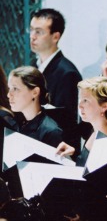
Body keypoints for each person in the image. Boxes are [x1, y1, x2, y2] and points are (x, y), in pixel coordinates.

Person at [30, 8, 82, 150]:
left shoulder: (67, 73)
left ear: (55, 36)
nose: (32, 36)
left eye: (39, 32)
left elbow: (67, 123)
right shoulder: (33, 66)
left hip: (57, 148)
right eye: (31, 30)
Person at [56, 76, 107, 166]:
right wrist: (73, 153)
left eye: (85, 100)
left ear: (104, 106)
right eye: (80, 100)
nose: (80, 106)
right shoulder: (95, 132)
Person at [7, 66, 62, 147]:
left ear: (35, 92)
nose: (9, 95)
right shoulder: (13, 124)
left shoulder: (51, 132)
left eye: (15, 88)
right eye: (9, 88)